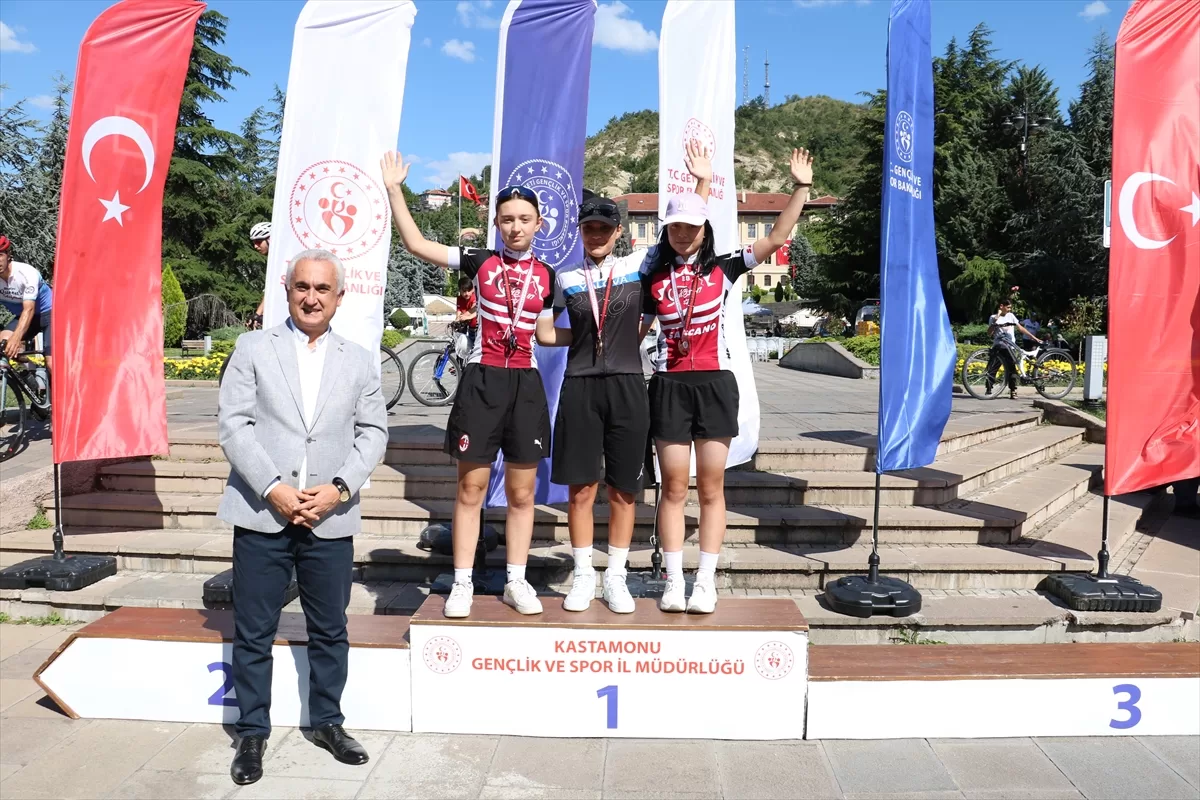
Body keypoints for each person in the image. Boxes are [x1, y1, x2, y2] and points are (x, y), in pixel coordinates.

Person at [217, 248, 388, 786]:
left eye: (322, 289)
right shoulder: (251, 348)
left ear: (340, 297)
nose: (311, 298)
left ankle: (328, 723)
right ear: (287, 290)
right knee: (254, 630)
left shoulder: (359, 360)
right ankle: (251, 732)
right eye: (302, 287)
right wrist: (273, 488)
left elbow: (374, 433)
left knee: (330, 627)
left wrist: (340, 489)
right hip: (262, 511)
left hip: (329, 516)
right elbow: (233, 425)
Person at [535, 141, 712, 614]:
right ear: (580, 231)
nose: (596, 234)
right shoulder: (564, 277)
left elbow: (685, 227)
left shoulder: (639, 265)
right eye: (588, 228)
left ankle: (615, 577)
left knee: (624, 489)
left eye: (604, 228)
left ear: (618, 232)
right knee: (580, 489)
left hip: (629, 387)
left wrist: (701, 181)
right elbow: (546, 332)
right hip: (579, 386)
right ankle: (582, 576)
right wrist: (577, 336)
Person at [380, 151, 555, 619]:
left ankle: (516, 580)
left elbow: (545, 333)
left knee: (522, 493)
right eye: (507, 219)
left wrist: (598, 334)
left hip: (526, 383)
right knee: (471, 489)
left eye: (524, 219)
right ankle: (462, 582)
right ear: (496, 224)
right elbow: (417, 244)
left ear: (538, 224)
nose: (515, 227)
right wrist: (394, 190)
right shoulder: (479, 261)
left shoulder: (547, 276)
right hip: (483, 380)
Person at [641, 147, 814, 614]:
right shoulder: (652, 276)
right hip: (669, 387)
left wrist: (800, 188)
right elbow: (634, 330)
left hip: (716, 384)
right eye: (674, 227)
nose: (682, 234)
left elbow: (776, 236)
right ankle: (673, 581)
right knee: (673, 487)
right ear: (666, 231)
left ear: (705, 229)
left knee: (712, 487)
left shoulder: (725, 267)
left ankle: (705, 581)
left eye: (691, 227)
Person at [0, 236, 53, 373]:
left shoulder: (26, 273)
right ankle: (29, 375)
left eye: (0, 255)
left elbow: (29, 309)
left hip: (50, 314)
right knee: (3, 344)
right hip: (25, 317)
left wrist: (17, 337)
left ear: (8, 255)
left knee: (51, 363)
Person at [986, 299, 1041, 399]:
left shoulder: (1011, 316)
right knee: (992, 369)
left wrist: (1034, 338)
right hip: (998, 347)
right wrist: (996, 319)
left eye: (1010, 307)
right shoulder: (993, 317)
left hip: (1009, 348)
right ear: (1001, 306)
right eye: (1008, 307)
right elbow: (989, 333)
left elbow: (1021, 328)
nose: (1009, 309)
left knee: (1012, 370)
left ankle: (1013, 390)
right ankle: (989, 389)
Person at [250, 221, 271, 329]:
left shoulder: (283, 259)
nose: (255, 246)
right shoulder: (272, 261)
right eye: (254, 242)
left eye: (258, 242)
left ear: (270, 239)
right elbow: (270, 290)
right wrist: (257, 314)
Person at [456, 274, 478, 354]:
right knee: (461, 345)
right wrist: (457, 319)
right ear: (460, 290)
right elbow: (459, 310)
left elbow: (475, 310)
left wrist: (466, 317)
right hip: (467, 326)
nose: (467, 293)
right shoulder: (460, 299)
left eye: (469, 291)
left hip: (476, 326)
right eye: (464, 291)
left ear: (472, 289)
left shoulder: (474, 297)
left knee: (475, 347)